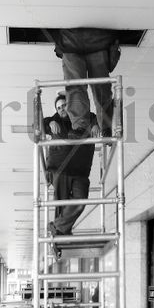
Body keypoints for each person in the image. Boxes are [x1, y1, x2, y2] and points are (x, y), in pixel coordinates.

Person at [43, 94, 99, 258]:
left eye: (65, 105)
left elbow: (96, 119)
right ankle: (58, 244)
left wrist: (95, 126)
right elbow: (39, 125)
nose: (62, 109)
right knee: (62, 205)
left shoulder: (85, 118)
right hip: (60, 169)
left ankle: (57, 228)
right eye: (59, 107)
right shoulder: (54, 121)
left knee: (81, 201)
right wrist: (49, 123)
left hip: (81, 170)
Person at [49, 28, 120, 138]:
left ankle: (81, 128)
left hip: (71, 44)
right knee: (101, 88)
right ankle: (106, 128)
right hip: (99, 40)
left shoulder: (57, 119)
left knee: (76, 88)